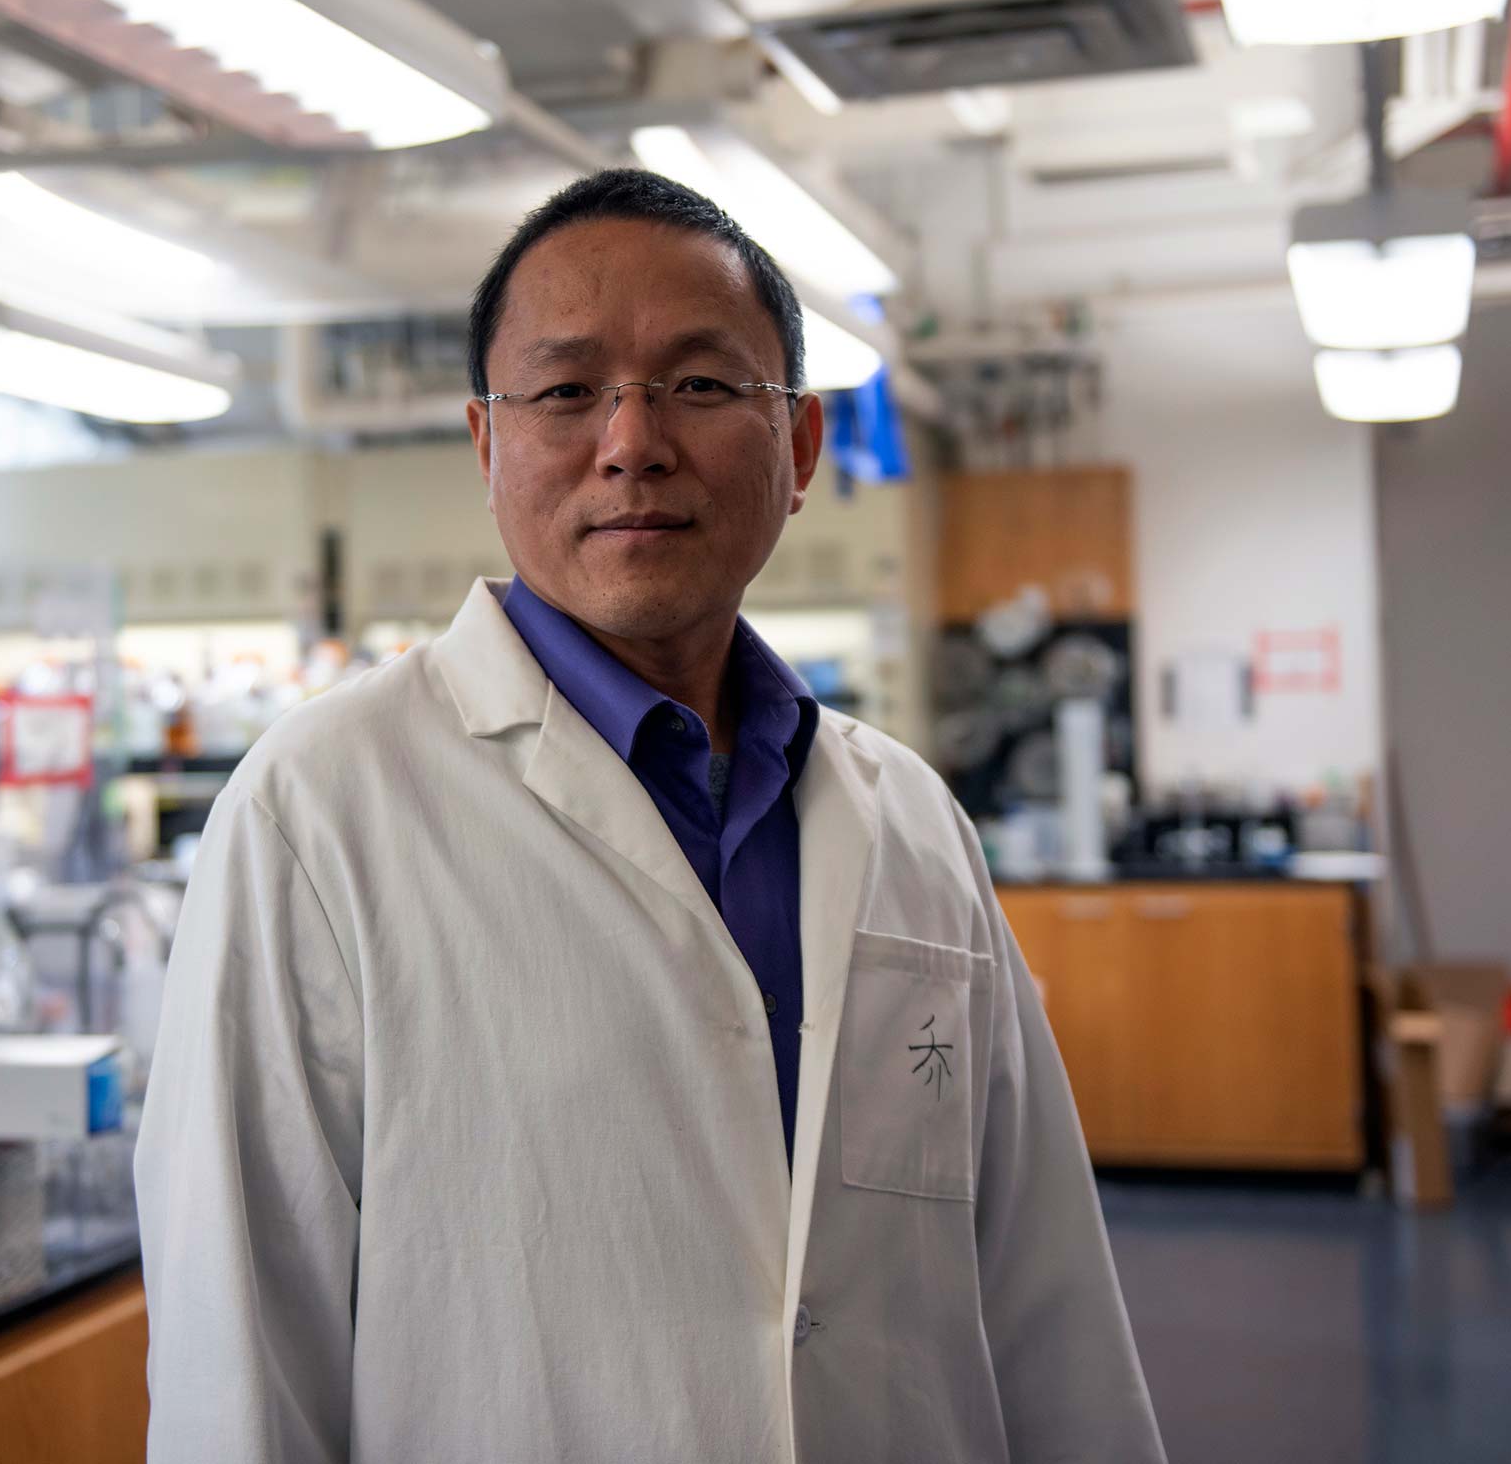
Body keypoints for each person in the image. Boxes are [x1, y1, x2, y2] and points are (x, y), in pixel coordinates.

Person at [135, 167, 1165, 1463]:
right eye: (567, 391)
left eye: (700, 383)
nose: (632, 441)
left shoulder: (910, 824)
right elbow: (242, 1371)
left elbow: (1042, 1296)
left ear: (798, 449)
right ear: (486, 444)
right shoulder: (317, 815)